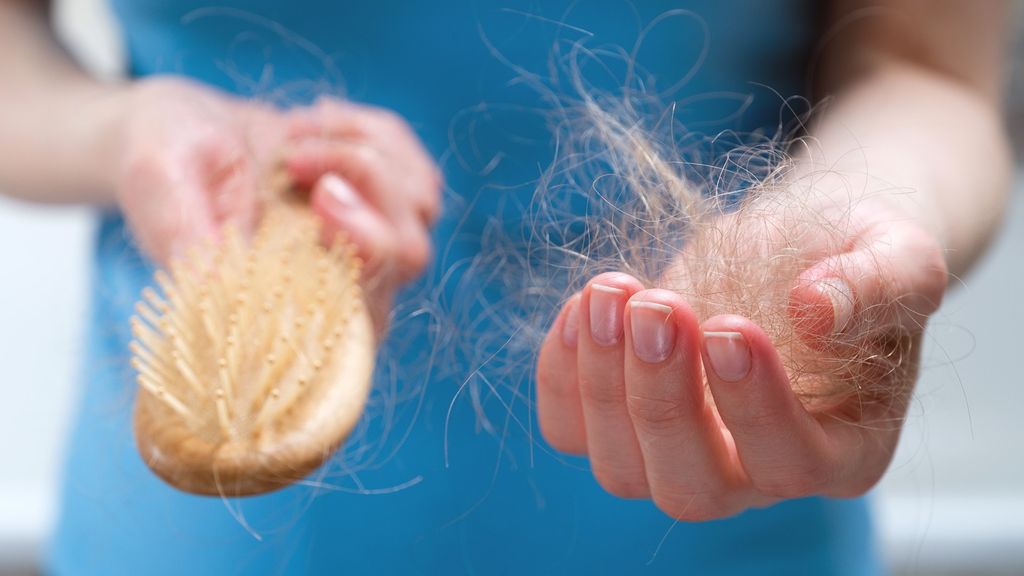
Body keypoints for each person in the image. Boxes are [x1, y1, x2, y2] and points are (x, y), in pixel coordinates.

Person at [0, 1, 1011, 574]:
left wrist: (864, 227)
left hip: (721, 499)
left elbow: (927, 69)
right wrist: (122, 131)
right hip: (193, 540)